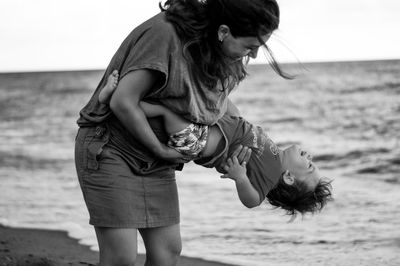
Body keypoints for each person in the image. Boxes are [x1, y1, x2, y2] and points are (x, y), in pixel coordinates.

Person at [75, 0, 288, 265]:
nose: (253, 56)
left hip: (155, 162)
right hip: (111, 148)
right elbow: (122, 102)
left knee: (168, 254)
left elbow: (210, 109)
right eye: (250, 47)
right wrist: (161, 150)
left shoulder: (218, 53)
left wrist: (240, 144)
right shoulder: (166, 36)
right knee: (121, 257)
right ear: (223, 32)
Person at [100, 72, 333, 216]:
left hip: (196, 141)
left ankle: (114, 100)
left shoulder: (270, 177)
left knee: (166, 110)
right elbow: (241, 123)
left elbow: (252, 202)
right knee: (216, 104)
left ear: (289, 177)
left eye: (309, 165)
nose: (309, 157)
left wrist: (240, 176)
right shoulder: (273, 153)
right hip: (211, 127)